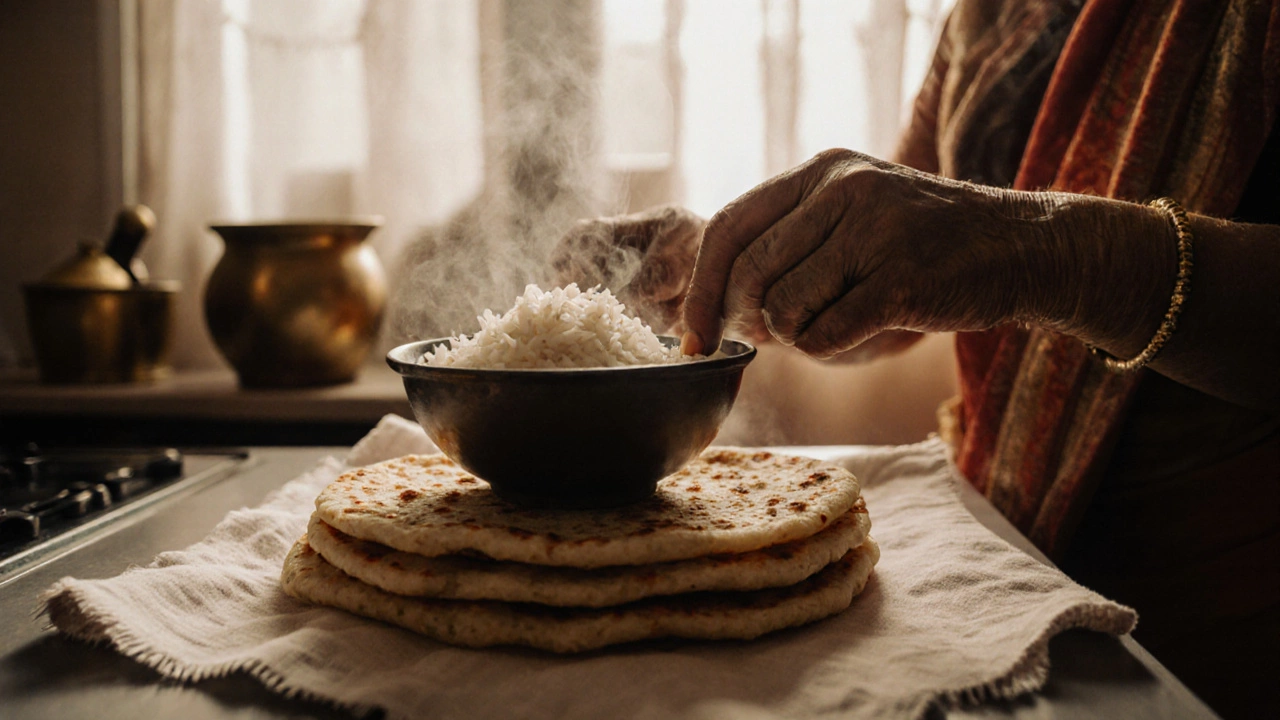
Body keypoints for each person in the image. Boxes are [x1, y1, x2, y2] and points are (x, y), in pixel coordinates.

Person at [552, 1, 1278, 717]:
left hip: (1212, 623)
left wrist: (1040, 252)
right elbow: (911, 273)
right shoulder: (986, 15)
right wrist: (737, 259)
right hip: (998, 565)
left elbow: (976, 238)